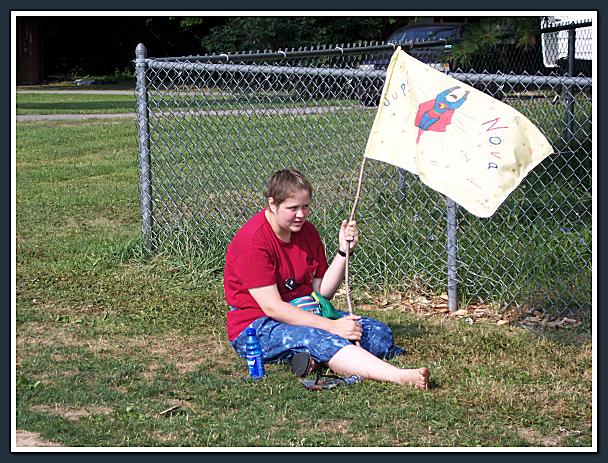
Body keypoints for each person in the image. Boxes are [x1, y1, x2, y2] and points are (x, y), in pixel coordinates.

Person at [223, 169, 429, 389]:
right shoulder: (253, 242)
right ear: (272, 204)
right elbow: (273, 308)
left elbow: (322, 292)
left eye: (305, 206)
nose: (301, 214)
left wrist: (343, 251)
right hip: (258, 325)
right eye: (293, 208)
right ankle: (399, 376)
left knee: (378, 333)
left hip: (306, 312)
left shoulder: (308, 232)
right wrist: (331, 326)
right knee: (322, 338)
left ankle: (312, 358)